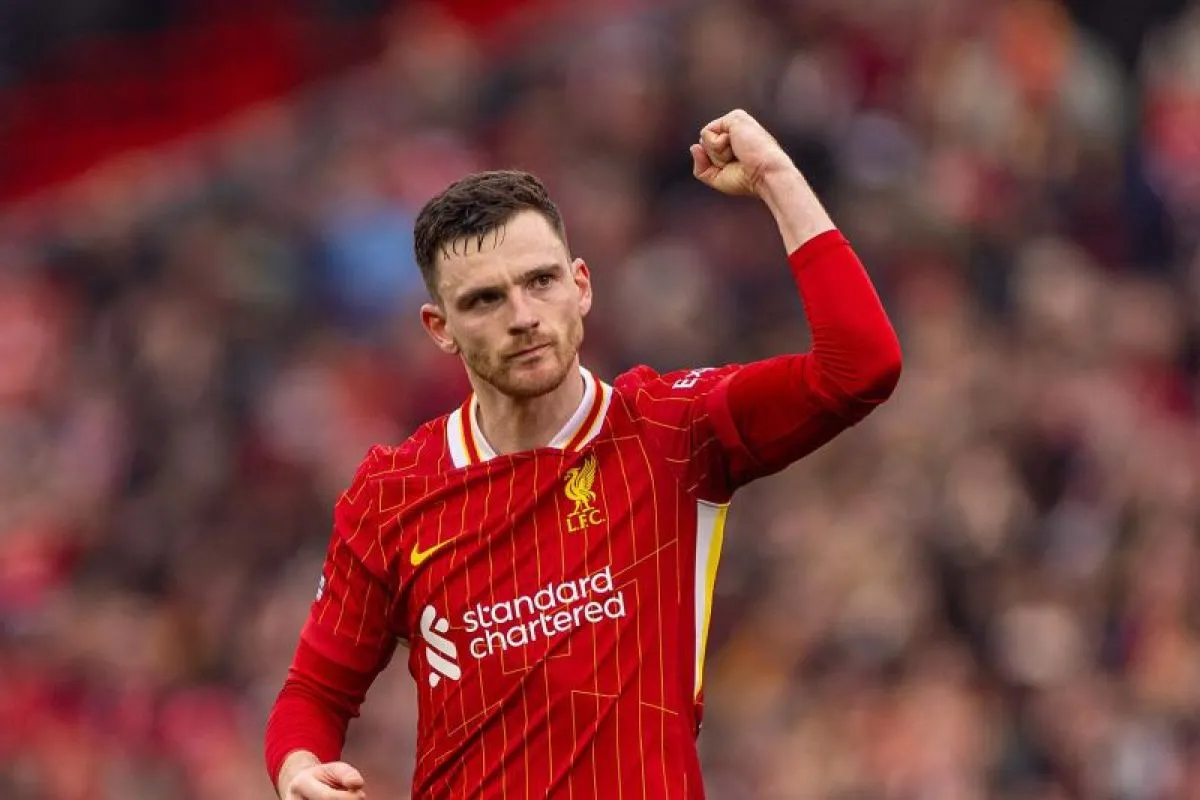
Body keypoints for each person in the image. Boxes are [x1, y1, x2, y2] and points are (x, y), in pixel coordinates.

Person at [264, 109, 903, 799]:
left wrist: (776, 176)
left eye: (540, 281)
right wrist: (299, 771)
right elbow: (314, 694)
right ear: (439, 328)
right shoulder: (392, 493)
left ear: (582, 286)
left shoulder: (670, 430)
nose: (523, 317)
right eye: (485, 300)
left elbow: (860, 367)